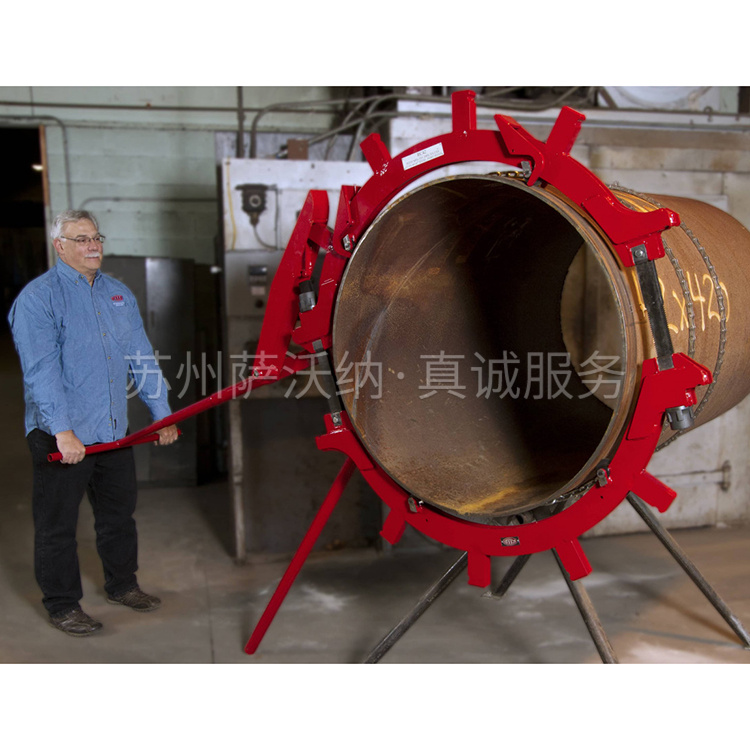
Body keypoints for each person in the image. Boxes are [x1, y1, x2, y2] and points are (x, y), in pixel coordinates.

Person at [8, 209, 179, 637]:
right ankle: (62, 605)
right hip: (62, 436)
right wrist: (62, 431)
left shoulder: (117, 294)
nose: (92, 246)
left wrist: (162, 414)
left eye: (96, 237)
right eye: (81, 239)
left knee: (118, 517)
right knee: (58, 527)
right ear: (60, 246)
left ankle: (123, 585)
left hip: (113, 433)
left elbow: (141, 356)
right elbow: (41, 371)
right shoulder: (38, 299)